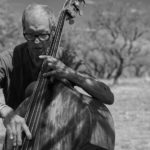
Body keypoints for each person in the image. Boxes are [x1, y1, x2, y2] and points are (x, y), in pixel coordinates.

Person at [0, 3, 115, 150]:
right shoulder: (8, 59)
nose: (36, 41)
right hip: (20, 140)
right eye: (30, 35)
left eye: (43, 34)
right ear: (23, 31)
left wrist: (69, 73)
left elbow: (107, 97)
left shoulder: (68, 58)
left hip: (59, 140)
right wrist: (6, 111)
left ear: (53, 32)